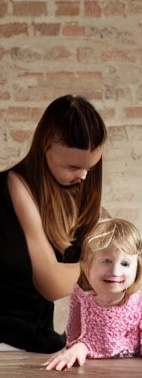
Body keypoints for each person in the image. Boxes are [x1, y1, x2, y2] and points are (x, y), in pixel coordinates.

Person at [0, 95, 107, 353]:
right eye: (72, 166)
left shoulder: (74, 191)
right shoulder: (15, 187)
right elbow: (51, 283)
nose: (82, 176)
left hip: (37, 339)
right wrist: (103, 267)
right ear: (46, 146)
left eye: (90, 168)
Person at [45, 218, 142, 372]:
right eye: (106, 261)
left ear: (138, 267)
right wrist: (73, 348)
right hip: (91, 371)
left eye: (125, 264)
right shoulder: (82, 299)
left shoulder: (137, 303)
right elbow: (74, 335)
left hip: (130, 371)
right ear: (87, 263)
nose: (115, 272)